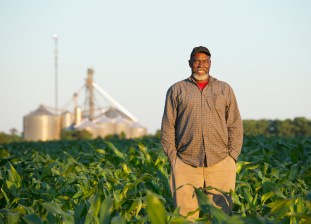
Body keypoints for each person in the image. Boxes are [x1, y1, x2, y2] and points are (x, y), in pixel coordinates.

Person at [161, 46, 243, 218]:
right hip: (185, 163)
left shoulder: (224, 89)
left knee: (221, 217)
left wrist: (232, 157)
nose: (201, 65)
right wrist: (173, 159)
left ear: (210, 64)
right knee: (185, 217)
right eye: (197, 61)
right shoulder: (177, 90)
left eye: (205, 61)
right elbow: (168, 126)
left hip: (220, 162)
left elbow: (234, 123)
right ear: (190, 63)